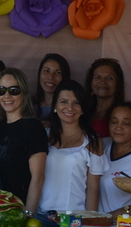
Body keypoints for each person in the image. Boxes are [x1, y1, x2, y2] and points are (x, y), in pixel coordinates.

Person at [38, 79, 105, 218]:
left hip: (74, 219)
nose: (70, 108)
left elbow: (93, 188)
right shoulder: (43, 135)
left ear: (82, 109)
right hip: (42, 216)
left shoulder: (92, 141)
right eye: (64, 102)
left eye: (76, 102)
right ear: (55, 105)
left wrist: (89, 224)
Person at [0, 68, 47, 214]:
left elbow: (37, 178)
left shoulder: (34, 127)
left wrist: (28, 217)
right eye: (1, 90)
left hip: (18, 211)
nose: (6, 95)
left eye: (14, 90)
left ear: (24, 93)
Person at [84, 58, 125, 138]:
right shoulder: (80, 111)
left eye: (109, 78)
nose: (102, 82)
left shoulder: (125, 114)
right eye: (97, 77)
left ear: (117, 85)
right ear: (91, 83)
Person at [35, 53, 70, 123]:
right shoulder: (28, 105)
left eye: (58, 72)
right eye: (47, 71)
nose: (51, 77)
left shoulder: (69, 108)